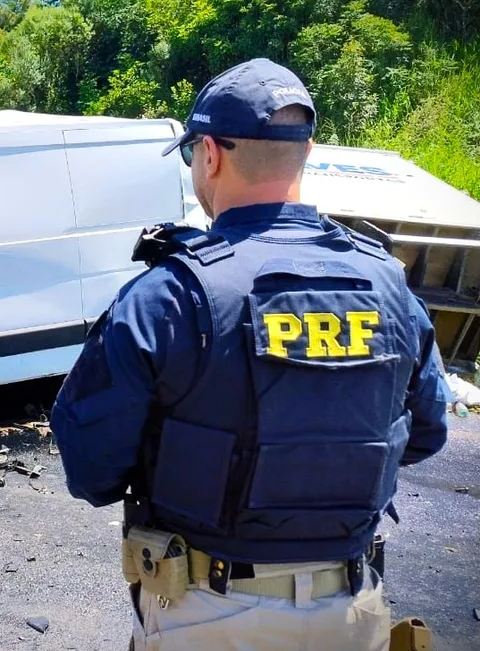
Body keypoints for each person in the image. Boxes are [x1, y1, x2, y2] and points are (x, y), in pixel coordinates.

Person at [50, 58, 450, 651]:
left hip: (207, 613)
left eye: (192, 156)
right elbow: (426, 433)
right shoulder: (388, 285)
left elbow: (92, 467)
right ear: (306, 153)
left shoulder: (170, 294)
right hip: (353, 611)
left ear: (209, 153)